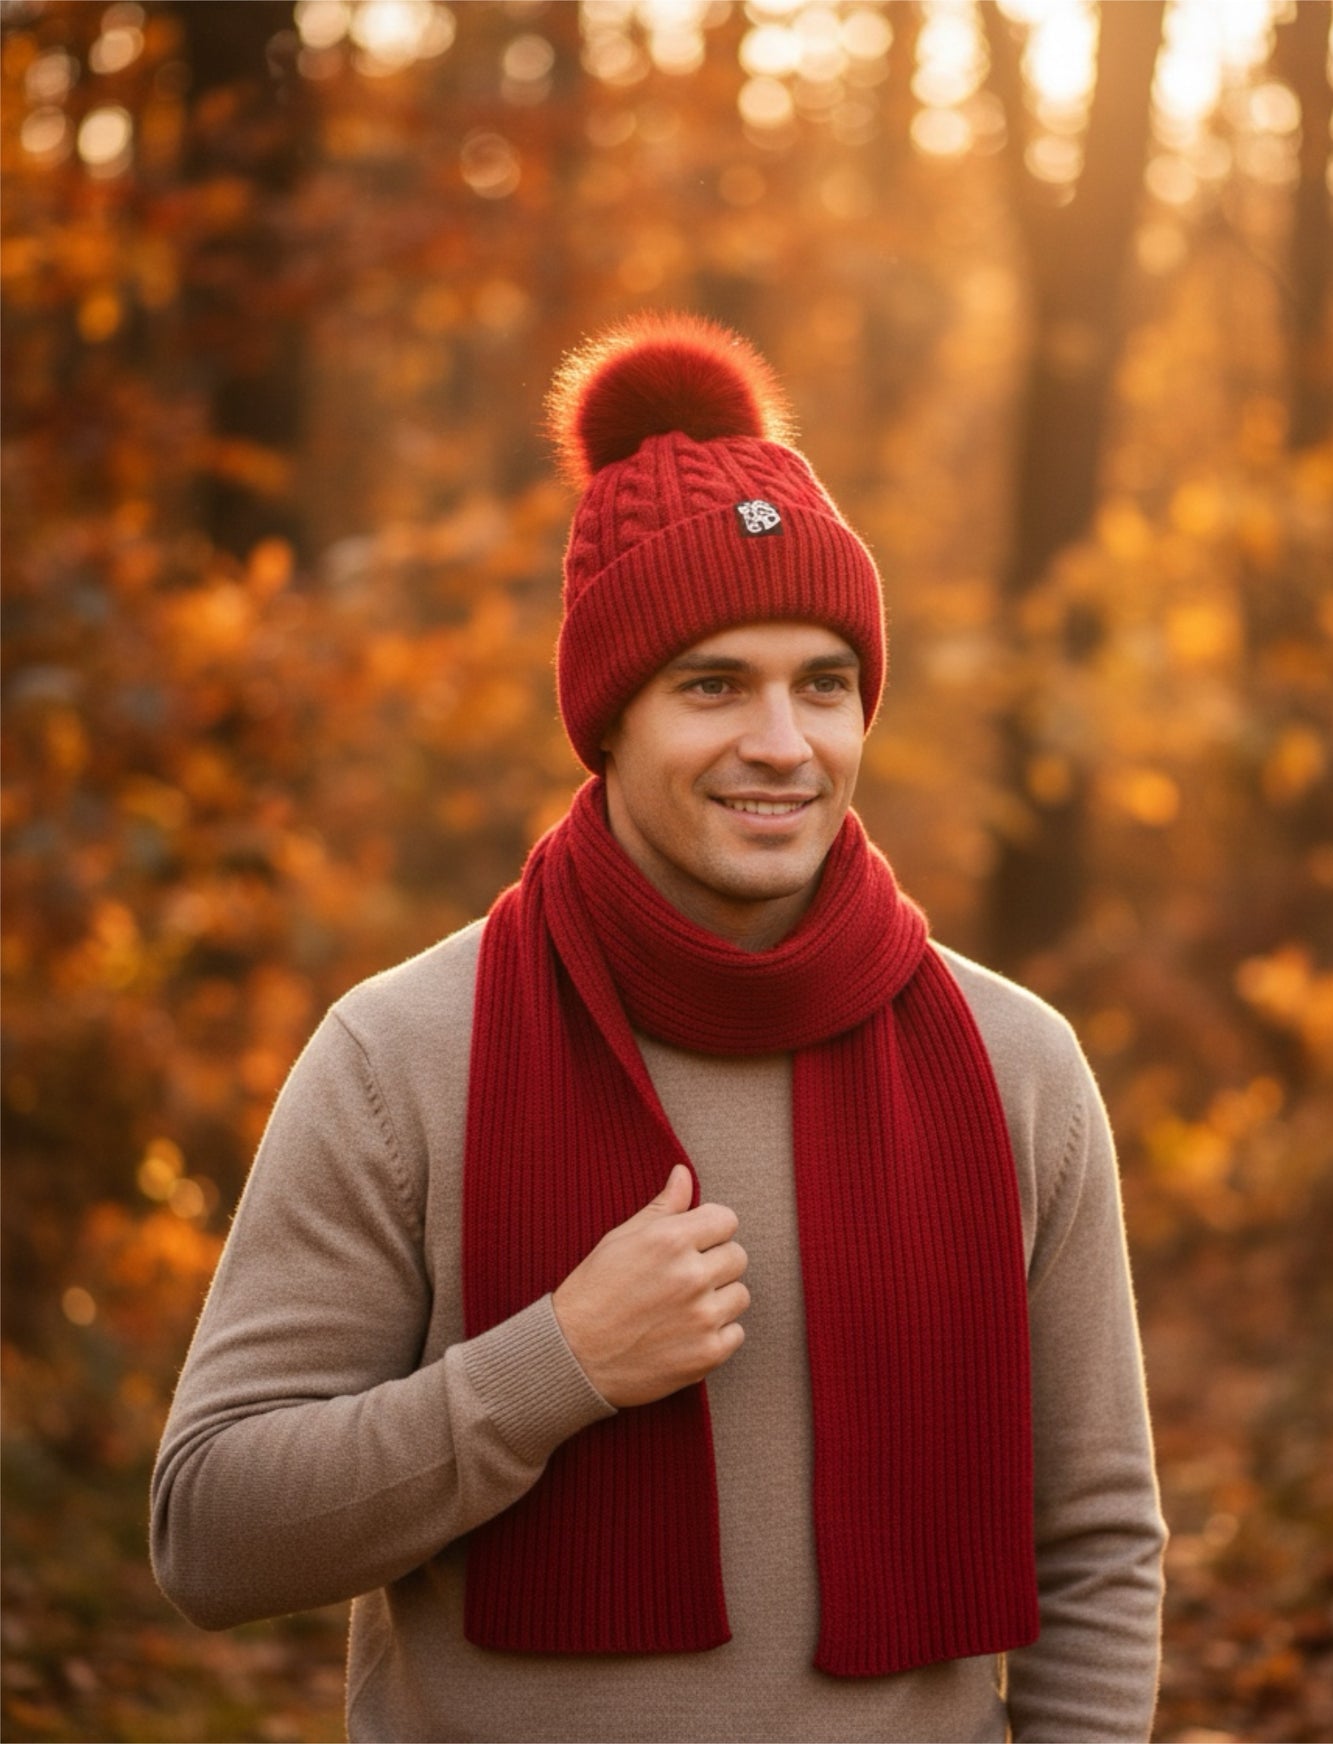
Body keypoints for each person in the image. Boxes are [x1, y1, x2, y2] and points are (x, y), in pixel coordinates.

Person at [151, 311, 1166, 1744]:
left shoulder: (1014, 1065)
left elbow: (1098, 1540)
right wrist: (550, 1365)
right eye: (712, 686)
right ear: (607, 718)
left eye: (823, 683)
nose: (782, 742)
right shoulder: (402, 1057)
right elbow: (211, 1537)